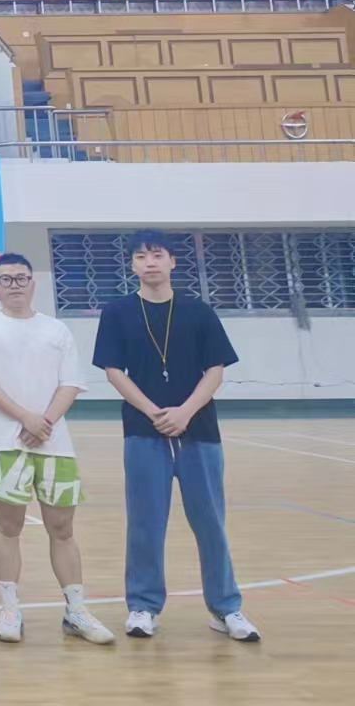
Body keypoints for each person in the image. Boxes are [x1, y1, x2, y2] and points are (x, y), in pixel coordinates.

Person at [92, 229, 259, 642]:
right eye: (141, 256)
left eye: (157, 255)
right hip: (143, 432)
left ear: (172, 262)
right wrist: (153, 411)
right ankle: (143, 606)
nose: (149, 262)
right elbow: (113, 371)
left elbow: (215, 370)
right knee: (146, 522)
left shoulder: (199, 311)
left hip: (198, 431)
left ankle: (226, 608)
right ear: (132, 265)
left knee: (210, 522)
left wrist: (184, 411)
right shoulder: (116, 312)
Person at [0, 253, 113, 644]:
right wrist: (25, 418)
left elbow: (70, 383)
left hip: (54, 444)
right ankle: (10, 608)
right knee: (8, 526)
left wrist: (43, 422)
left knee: (62, 528)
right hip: (6, 444)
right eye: (6, 279)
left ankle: (76, 610)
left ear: (33, 283)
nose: (14, 285)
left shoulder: (56, 329)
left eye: (21, 278)